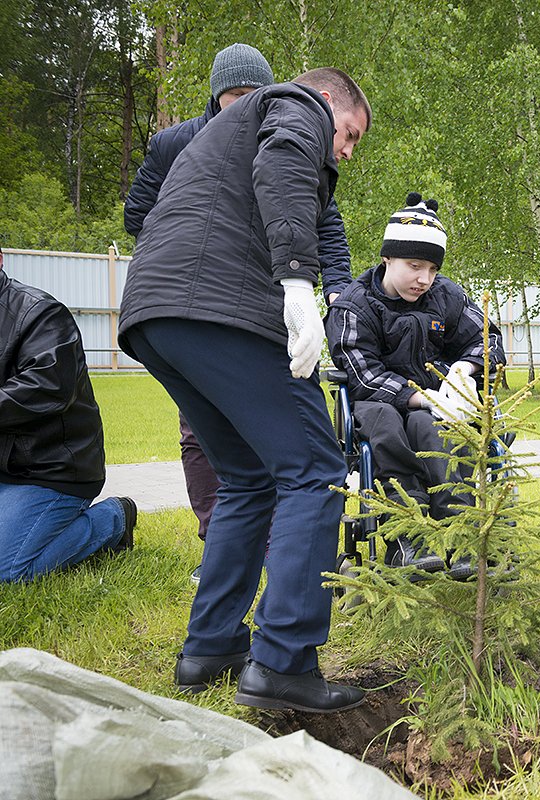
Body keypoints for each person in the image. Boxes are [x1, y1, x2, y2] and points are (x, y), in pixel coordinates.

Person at [118, 67, 371, 713]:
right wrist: (295, 283)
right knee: (315, 470)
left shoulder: (233, 130)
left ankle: (211, 647)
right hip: (217, 310)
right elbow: (285, 166)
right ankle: (284, 660)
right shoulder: (294, 105)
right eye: (349, 134)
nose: (345, 151)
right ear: (328, 104)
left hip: (157, 316)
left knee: (249, 477)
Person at [326, 192, 505, 572]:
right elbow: (362, 373)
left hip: (439, 402)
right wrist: (418, 397)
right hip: (378, 402)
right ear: (387, 257)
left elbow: (487, 339)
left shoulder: (447, 296)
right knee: (386, 424)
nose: (424, 279)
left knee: (431, 427)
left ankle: (459, 532)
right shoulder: (354, 304)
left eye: (432, 270)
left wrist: (464, 370)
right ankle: (408, 535)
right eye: (414, 266)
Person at [0, 249, 137, 582]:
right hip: (4, 465)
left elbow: (49, 386)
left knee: (9, 568)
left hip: (50, 467)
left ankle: (115, 518)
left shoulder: (39, 313)